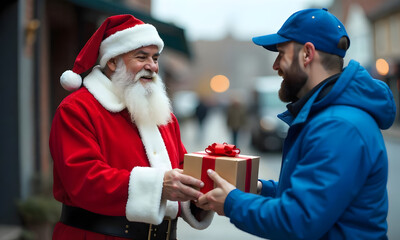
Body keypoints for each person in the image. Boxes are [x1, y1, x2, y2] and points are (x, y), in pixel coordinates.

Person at [196, 8, 396, 240]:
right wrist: (259, 189)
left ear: (307, 54)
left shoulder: (337, 126)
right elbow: (311, 193)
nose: (275, 65)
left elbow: (298, 220)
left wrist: (232, 202)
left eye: (281, 53)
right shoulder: (327, 116)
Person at [49, 14, 213, 240]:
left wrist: (200, 195)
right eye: (141, 57)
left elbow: (181, 169)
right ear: (113, 61)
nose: (152, 66)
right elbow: (84, 180)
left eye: (155, 58)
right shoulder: (77, 110)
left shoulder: (164, 116)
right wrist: (159, 185)